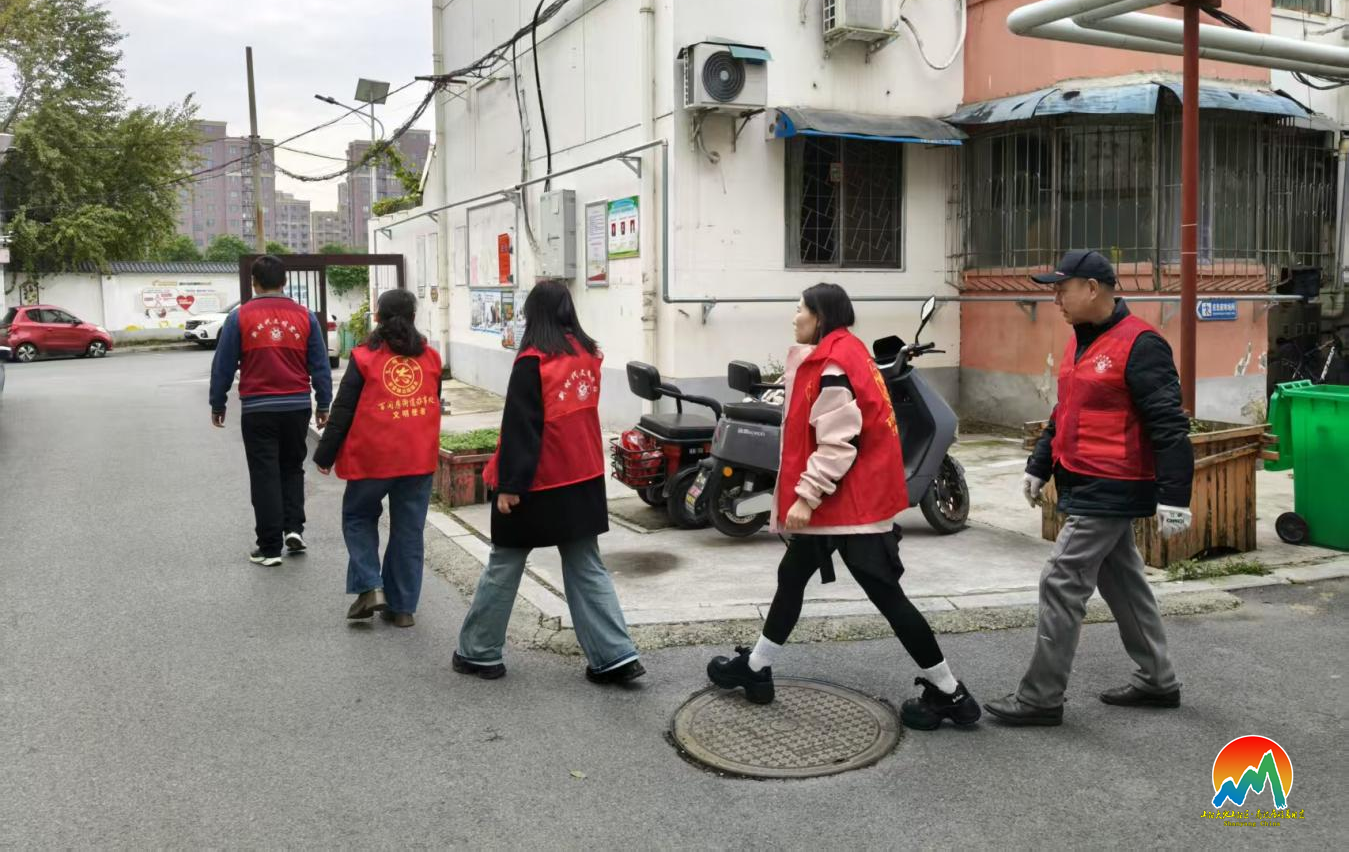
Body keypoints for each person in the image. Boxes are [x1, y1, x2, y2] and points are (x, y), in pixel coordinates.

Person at [705, 283, 980, 731]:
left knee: (887, 596)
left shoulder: (833, 364)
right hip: (847, 503)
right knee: (792, 577)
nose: (794, 317)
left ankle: (951, 692)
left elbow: (839, 443)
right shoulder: (850, 353)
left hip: (845, 505)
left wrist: (806, 496)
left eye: (799, 309)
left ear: (819, 316)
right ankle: (756, 669)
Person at [985, 249, 1195, 727]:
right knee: (1121, 579)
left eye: (1062, 288)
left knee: (1060, 579)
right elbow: (1066, 412)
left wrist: (1175, 496)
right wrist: (1039, 465)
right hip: (1083, 477)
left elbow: (1168, 425)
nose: (1055, 298)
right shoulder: (1082, 342)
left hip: (1113, 483)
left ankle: (1040, 698)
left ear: (1093, 288)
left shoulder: (1141, 344)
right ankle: (1158, 680)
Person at [453, 281, 643, 684]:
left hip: (538, 481)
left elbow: (522, 428)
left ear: (532, 314)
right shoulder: (589, 356)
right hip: (584, 476)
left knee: (504, 563)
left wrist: (509, 485)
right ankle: (615, 656)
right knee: (586, 565)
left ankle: (480, 652)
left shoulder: (533, 361)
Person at [312, 289, 442, 627]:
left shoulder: (364, 358)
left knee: (358, 517)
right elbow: (432, 402)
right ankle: (403, 609)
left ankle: (370, 586)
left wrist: (325, 453)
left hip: (373, 458)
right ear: (413, 318)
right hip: (417, 457)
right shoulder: (431, 359)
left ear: (378, 319)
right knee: (409, 531)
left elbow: (343, 410)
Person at [210, 255, 333, 567]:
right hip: (296, 406)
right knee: (292, 467)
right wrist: (323, 403)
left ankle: (269, 547)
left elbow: (223, 364)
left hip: (258, 408)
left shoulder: (240, 317)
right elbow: (319, 364)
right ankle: (294, 528)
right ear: (285, 281)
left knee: (265, 474)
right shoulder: (305, 316)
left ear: (254, 282)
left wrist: (218, 402)